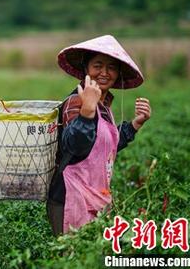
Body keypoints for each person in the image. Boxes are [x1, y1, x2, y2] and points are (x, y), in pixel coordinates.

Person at [47, 35, 151, 235]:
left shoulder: (103, 105)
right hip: (71, 197)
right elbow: (75, 146)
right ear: (86, 68)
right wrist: (87, 112)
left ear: (118, 73)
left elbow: (104, 147)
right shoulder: (77, 102)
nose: (104, 73)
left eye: (111, 67)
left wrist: (135, 124)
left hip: (96, 196)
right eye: (98, 66)